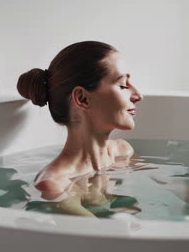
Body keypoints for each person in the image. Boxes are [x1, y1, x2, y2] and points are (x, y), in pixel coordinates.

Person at [17, 41, 143, 198]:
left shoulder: (123, 152)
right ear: (82, 98)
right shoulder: (55, 184)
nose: (138, 95)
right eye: (123, 85)